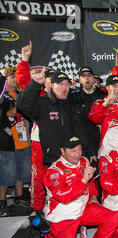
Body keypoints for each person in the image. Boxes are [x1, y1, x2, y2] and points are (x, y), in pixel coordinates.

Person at [42, 136, 118, 238]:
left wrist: (94, 197)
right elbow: (64, 198)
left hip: (83, 207)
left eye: (79, 150)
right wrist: (83, 180)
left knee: (113, 218)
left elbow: (91, 182)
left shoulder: (84, 161)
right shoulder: (53, 172)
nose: (78, 154)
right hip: (63, 214)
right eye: (73, 151)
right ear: (63, 151)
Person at [15, 41, 54, 215]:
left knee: (58, 176)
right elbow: (24, 83)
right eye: (49, 79)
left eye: (55, 80)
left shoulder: (64, 96)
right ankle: (37, 211)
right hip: (39, 141)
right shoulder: (38, 95)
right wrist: (24, 60)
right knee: (38, 177)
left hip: (60, 143)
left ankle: (56, 209)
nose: (52, 83)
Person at [2, 64, 31, 208]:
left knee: (22, 171)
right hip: (8, 141)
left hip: (24, 139)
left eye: (16, 76)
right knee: (6, 173)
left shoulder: (20, 95)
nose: (15, 79)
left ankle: (19, 196)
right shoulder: (3, 97)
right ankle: (2, 202)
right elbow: (9, 114)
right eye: (12, 77)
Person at [71, 66, 106, 163]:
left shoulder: (103, 96)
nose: (86, 78)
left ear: (94, 79)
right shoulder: (73, 97)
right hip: (81, 146)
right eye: (83, 76)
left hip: (101, 145)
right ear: (80, 80)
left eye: (89, 76)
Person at [0, 72, 17, 216]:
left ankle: (2, 202)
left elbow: (13, 118)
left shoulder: (9, 97)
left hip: (5, 140)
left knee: (5, 174)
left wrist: (14, 113)